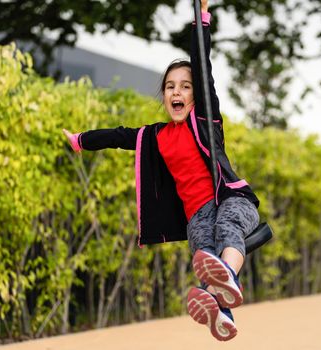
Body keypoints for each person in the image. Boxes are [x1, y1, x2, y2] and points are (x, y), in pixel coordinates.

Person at [63, 0, 259, 341]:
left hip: (232, 199)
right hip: (197, 214)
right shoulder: (155, 136)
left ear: (196, 96)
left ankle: (227, 279)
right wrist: (81, 140)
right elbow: (118, 135)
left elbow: (203, 64)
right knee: (203, 250)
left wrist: (202, 18)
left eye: (185, 86)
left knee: (227, 229)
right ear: (164, 96)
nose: (177, 91)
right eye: (170, 86)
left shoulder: (205, 120)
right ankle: (222, 311)